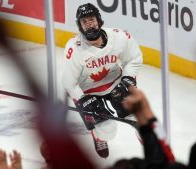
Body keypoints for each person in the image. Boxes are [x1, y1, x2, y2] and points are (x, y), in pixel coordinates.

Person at [61, 3, 143, 158]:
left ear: (99, 20)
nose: (89, 25)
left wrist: (128, 78)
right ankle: (98, 135)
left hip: (116, 84)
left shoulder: (118, 36)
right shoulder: (74, 48)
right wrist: (82, 100)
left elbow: (134, 58)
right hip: (89, 91)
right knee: (108, 130)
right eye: (84, 22)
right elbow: (68, 82)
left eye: (91, 20)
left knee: (140, 118)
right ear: (80, 26)